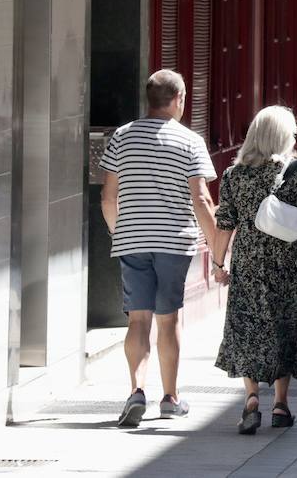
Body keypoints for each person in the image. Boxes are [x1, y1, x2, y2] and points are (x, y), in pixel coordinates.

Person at [99, 69, 218, 427]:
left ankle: (136, 391)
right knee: (169, 319)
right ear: (179, 99)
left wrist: (120, 233)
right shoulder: (190, 142)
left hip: (132, 238)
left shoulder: (121, 137)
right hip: (174, 241)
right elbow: (200, 199)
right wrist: (217, 250)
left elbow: (108, 197)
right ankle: (170, 397)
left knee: (137, 318)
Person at [211, 106, 297, 435]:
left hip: (249, 265)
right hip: (289, 267)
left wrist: (218, 263)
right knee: (285, 329)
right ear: (281, 136)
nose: (296, 136)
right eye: (292, 131)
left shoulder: (234, 176)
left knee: (247, 327)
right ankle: (280, 404)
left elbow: (225, 224)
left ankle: (251, 399)